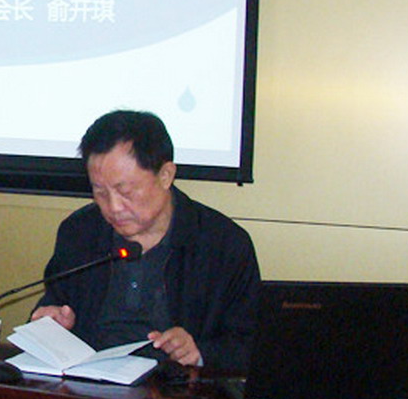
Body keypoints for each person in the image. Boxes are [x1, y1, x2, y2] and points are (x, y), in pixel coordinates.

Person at [31, 109, 260, 372]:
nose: (114, 207)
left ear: (165, 175)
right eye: (100, 192)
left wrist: (199, 352)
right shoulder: (80, 231)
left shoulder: (223, 244)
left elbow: (249, 343)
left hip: (176, 388)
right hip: (87, 384)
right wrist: (48, 325)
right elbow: (55, 303)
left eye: (126, 191)